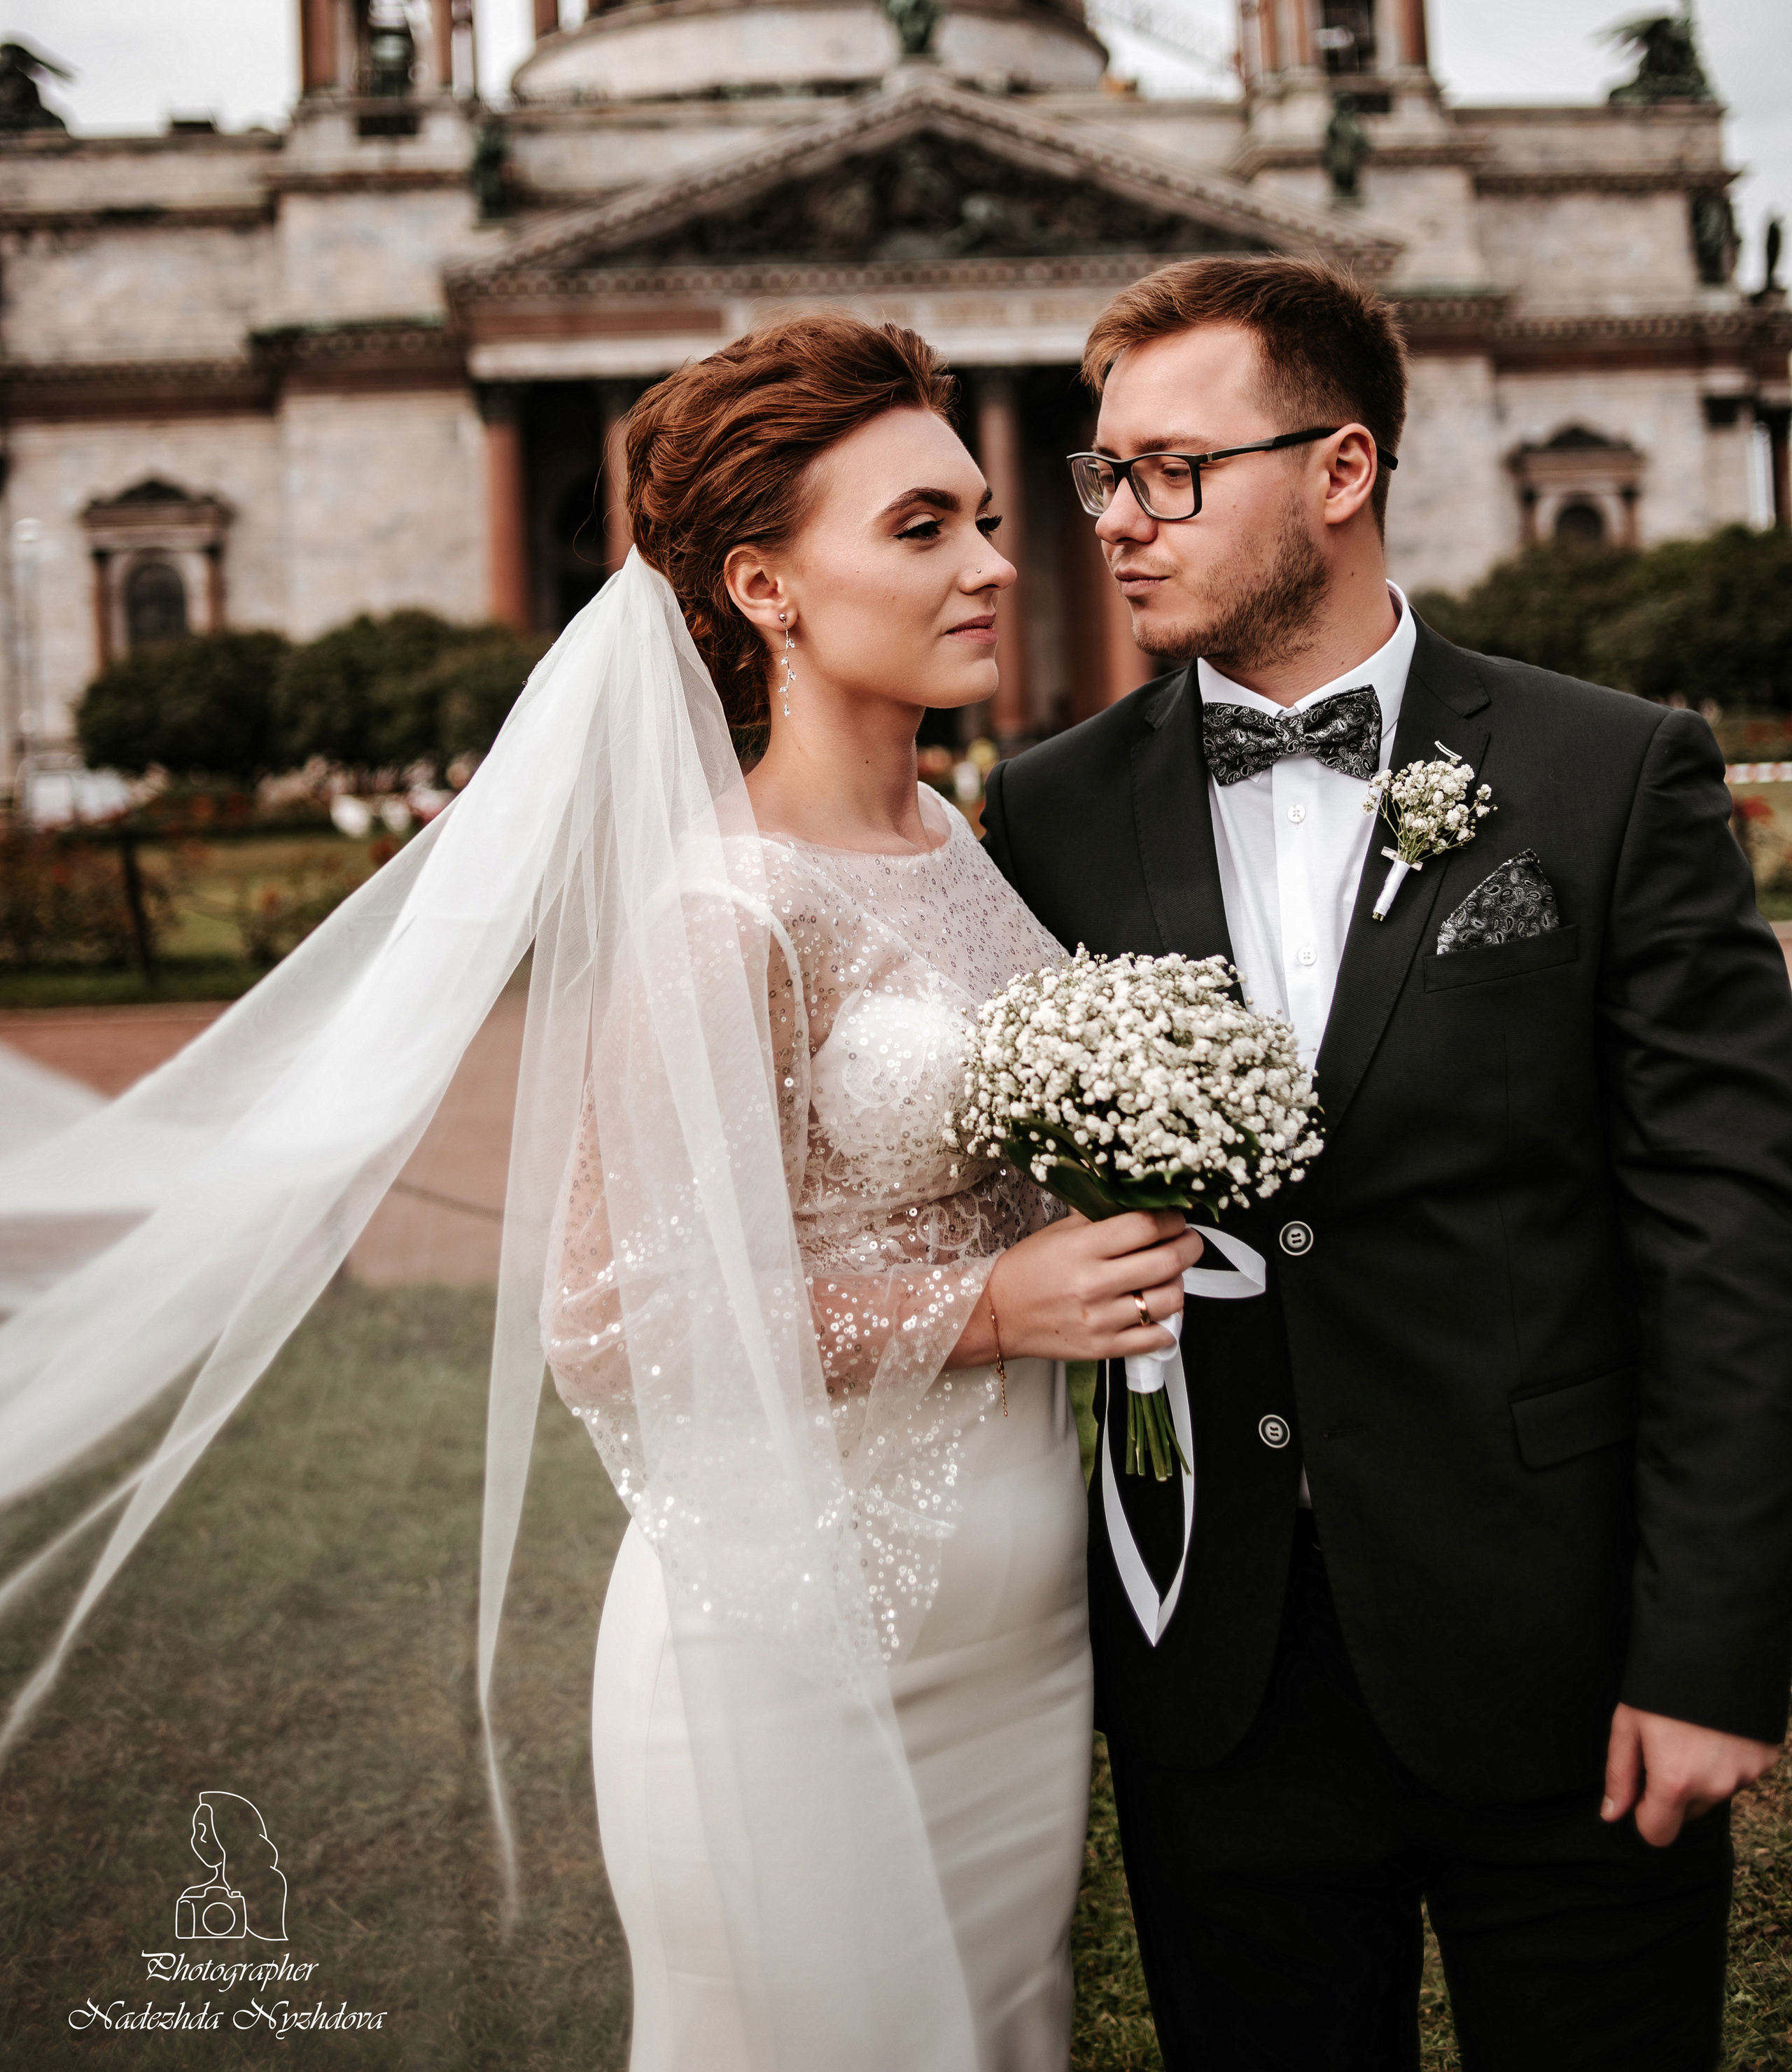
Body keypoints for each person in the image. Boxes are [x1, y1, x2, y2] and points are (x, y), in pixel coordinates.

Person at [0, 312, 1186, 2072]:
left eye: (985, 518)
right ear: (765, 589)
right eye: (919, 529)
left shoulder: (962, 848)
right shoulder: (721, 907)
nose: (994, 565)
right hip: (798, 1637)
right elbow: (613, 1315)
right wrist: (994, 1307)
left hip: (1015, 1630)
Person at [982, 255, 1792, 2072]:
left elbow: (1728, 1235)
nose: (1118, 519)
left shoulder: (1609, 773)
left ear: (1340, 472)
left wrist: (1713, 1650)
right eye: (1105, 475)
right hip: (1221, 1675)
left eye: (1173, 471)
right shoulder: (1047, 809)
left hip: (1568, 1655)